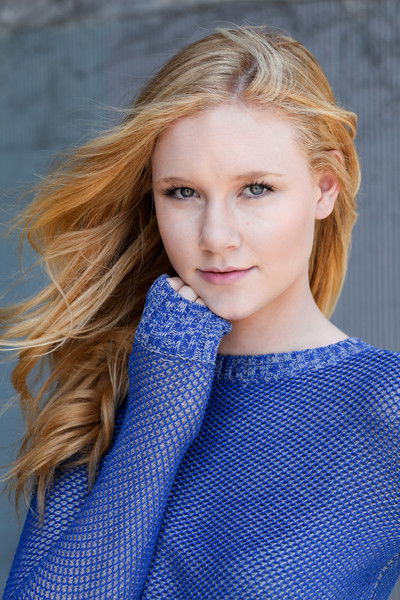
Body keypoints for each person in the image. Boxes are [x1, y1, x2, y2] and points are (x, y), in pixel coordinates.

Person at [1, 24, 399, 600]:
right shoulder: (107, 393)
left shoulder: (385, 404)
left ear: (324, 188)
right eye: (182, 192)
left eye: (255, 189)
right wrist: (157, 421)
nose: (215, 237)